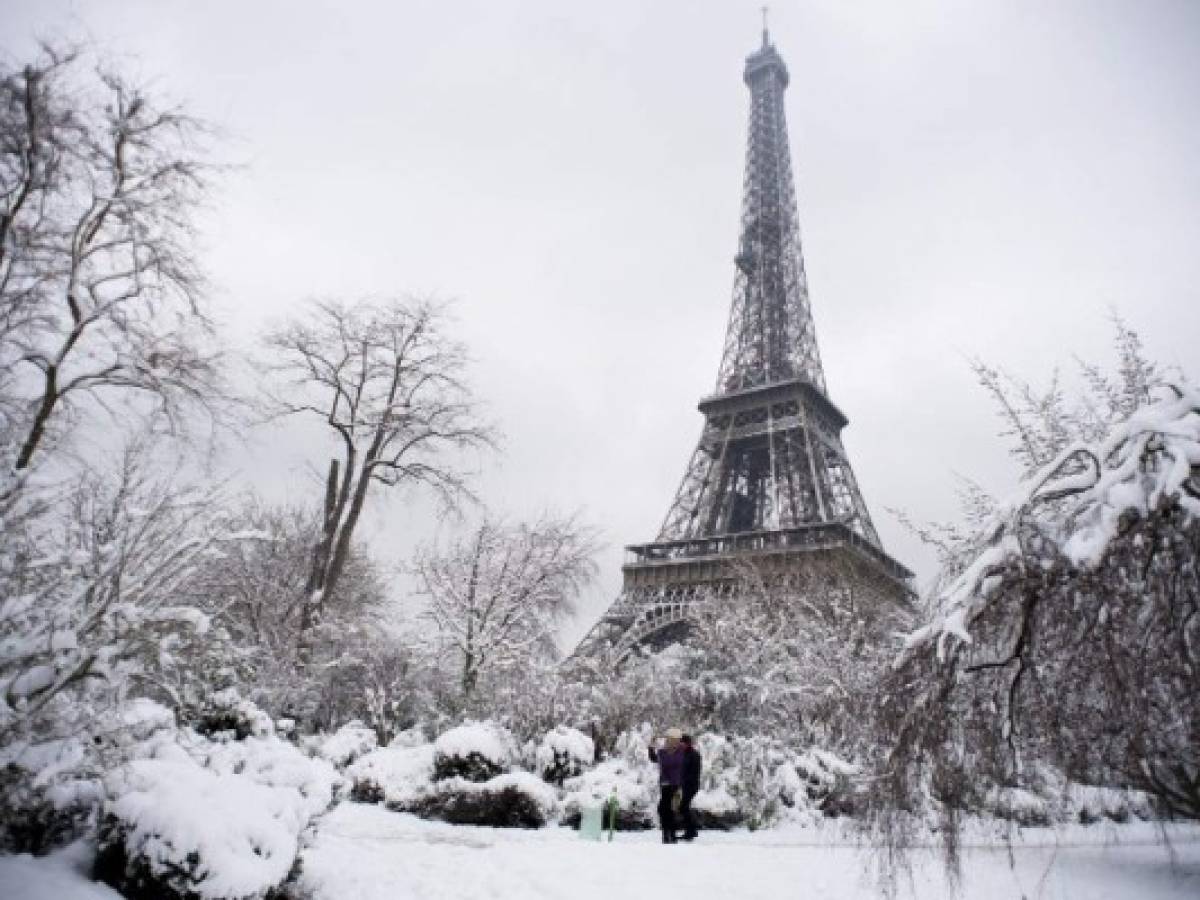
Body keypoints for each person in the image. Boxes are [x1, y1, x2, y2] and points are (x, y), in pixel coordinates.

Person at [648, 727, 685, 844]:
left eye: (671, 739)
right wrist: (651, 747)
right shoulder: (663, 752)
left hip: (676, 785)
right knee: (664, 810)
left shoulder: (681, 753)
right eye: (668, 739)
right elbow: (653, 758)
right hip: (665, 785)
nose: (668, 741)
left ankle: (671, 835)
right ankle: (667, 835)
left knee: (670, 810)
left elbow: (683, 765)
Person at [678, 734, 702, 841]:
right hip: (685, 785)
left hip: (691, 785)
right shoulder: (682, 754)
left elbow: (693, 772)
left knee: (683, 807)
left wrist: (683, 780)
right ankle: (692, 830)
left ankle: (691, 831)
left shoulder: (694, 755)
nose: (681, 745)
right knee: (684, 807)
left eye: (682, 743)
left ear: (688, 743)